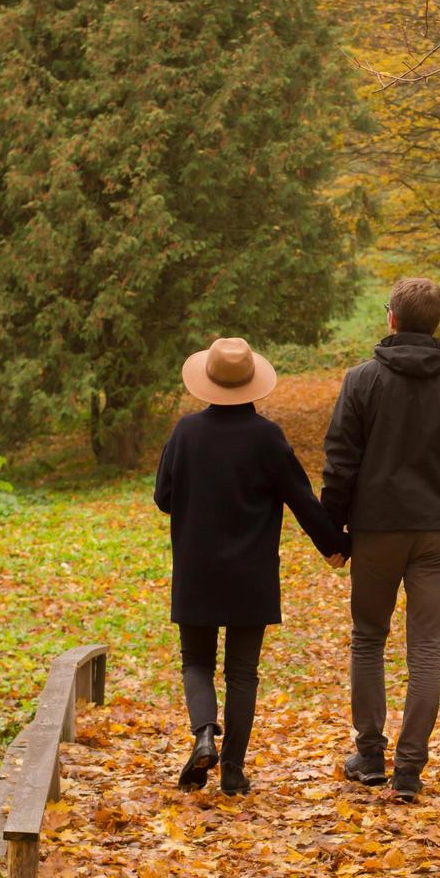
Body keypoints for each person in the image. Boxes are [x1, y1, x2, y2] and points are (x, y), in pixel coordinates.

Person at [322, 277, 440, 802]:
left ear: (391, 318)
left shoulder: (361, 381)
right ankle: (410, 768)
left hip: (376, 529)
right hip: (437, 531)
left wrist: (334, 532)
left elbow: (340, 462)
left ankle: (370, 754)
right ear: (435, 322)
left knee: (369, 637)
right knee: (425, 649)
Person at [155, 336, 347, 795]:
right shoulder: (267, 437)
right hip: (251, 573)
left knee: (196, 661)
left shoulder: (185, 432)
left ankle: (203, 732)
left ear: (207, 382)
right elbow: (301, 498)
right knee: (243, 672)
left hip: (197, 569)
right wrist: (334, 545)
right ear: (252, 385)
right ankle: (234, 771)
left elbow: (163, 498)